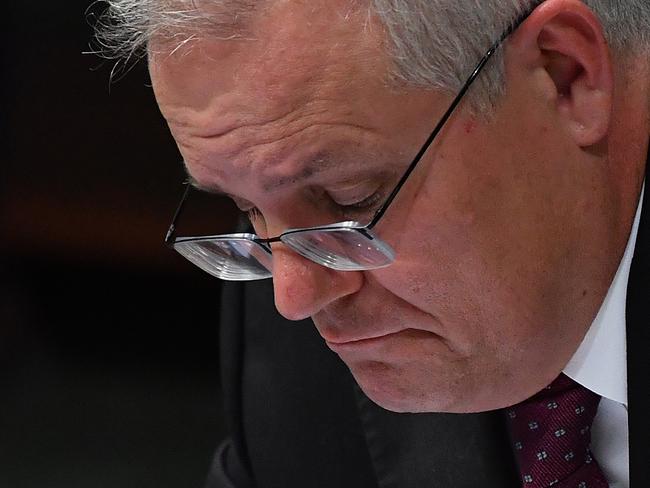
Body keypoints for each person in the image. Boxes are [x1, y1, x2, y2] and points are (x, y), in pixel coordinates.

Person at [97, 0, 648, 486]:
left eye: (350, 198)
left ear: (566, 76)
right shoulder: (290, 329)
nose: (294, 297)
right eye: (247, 211)